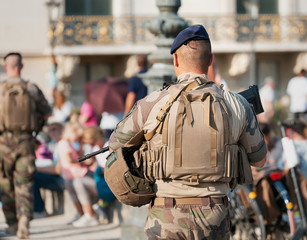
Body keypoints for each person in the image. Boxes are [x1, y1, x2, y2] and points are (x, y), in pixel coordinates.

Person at [108, 24, 267, 239]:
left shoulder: (152, 103)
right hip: (215, 216)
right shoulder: (237, 105)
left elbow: (116, 144)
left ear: (175, 60)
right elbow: (259, 160)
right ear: (210, 60)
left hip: (165, 217)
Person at [0, 52, 52, 239]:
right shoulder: (31, 88)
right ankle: (24, 220)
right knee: (25, 182)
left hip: (3, 143)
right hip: (26, 141)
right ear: (21, 66)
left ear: (6, 67)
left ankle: (13, 223)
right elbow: (46, 113)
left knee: (5, 184)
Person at [57, 121, 99, 227]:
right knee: (74, 194)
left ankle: (85, 215)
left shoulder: (71, 143)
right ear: (72, 131)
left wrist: (80, 143)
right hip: (76, 173)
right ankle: (85, 214)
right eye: (78, 135)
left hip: (75, 175)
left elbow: (79, 155)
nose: (78, 138)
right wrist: (85, 162)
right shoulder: (64, 143)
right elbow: (70, 160)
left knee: (75, 193)